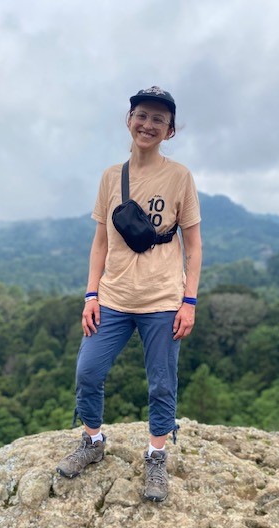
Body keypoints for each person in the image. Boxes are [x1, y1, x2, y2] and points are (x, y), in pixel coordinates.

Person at [56, 86, 202, 502]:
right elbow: (100, 242)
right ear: (129, 120)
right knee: (88, 372)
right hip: (114, 297)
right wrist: (90, 295)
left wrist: (189, 301)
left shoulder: (180, 177)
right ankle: (93, 441)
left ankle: (156, 455)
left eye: (159, 119)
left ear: (170, 130)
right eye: (141, 115)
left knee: (160, 384)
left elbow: (193, 246)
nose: (148, 124)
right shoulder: (109, 178)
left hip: (162, 300)